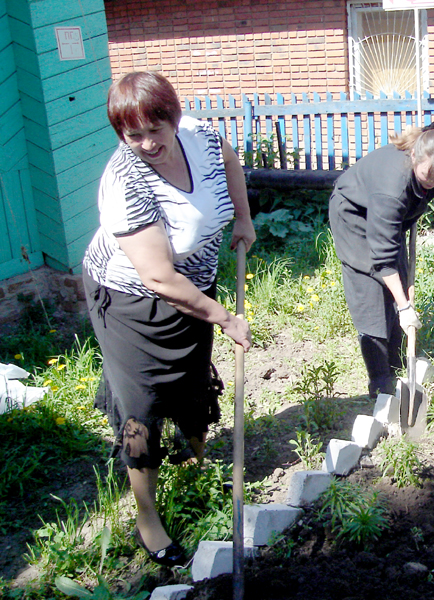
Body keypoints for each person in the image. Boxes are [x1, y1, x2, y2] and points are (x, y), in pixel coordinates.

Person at [82, 71, 256, 566]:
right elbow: (158, 277)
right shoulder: (123, 182)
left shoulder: (200, 135)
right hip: (132, 298)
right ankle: (147, 520)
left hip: (194, 286)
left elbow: (230, 164)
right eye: (131, 135)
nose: (145, 143)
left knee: (193, 376)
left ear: (174, 119)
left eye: (154, 130)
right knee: (142, 406)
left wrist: (242, 217)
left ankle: (195, 454)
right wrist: (226, 318)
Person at [328, 120, 434, 398]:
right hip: (354, 215)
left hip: (386, 216)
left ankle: (398, 363)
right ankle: (380, 382)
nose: (431, 182)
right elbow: (382, 259)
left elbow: (392, 249)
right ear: (414, 156)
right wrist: (405, 306)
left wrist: (401, 302)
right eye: (426, 176)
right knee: (370, 289)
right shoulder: (392, 186)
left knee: (395, 278)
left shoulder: (428, 152)